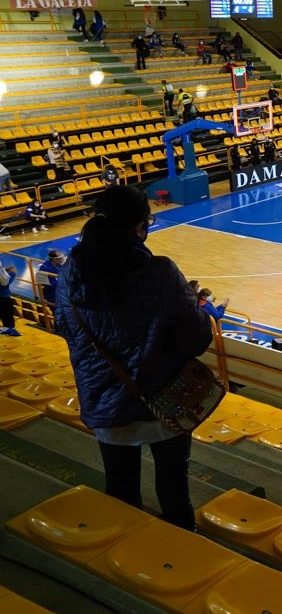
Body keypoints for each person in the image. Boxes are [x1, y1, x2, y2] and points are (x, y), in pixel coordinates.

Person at [53, 186, 211, 531]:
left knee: (120, 491)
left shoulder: (69, 275)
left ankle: (123, 567)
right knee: (175, 494)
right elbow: (197, 339)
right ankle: (181, 561)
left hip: (105, 401)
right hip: (163, 402)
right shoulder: (161, 273)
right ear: (142, 226)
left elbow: (64, 327)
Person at [1, 261, 18, 336]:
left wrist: (4, 271)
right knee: (8, 318)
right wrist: (12, 273)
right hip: (2, 297)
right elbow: (4, 282)